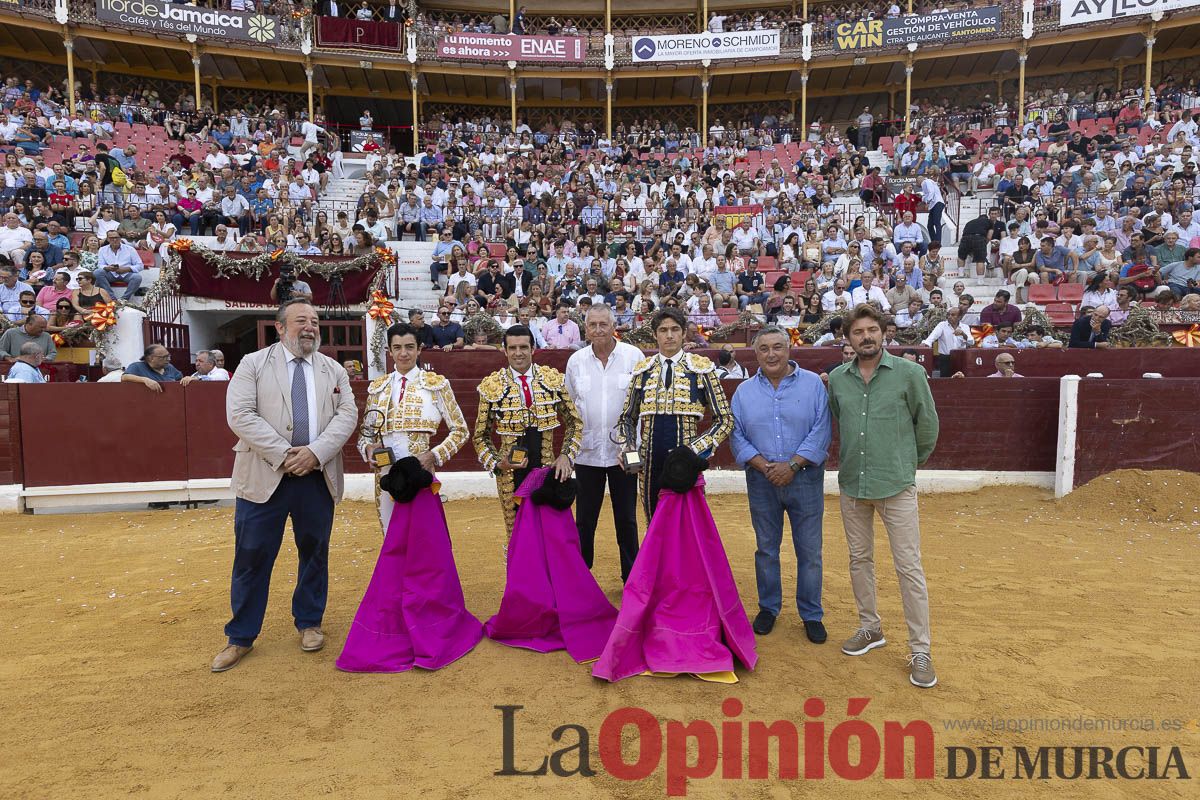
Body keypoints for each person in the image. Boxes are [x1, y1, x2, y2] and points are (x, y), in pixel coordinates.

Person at [212, 300, 358, 673]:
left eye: (314, 321)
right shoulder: (253, 364)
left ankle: (309, 622)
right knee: (251, 556)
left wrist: (314, 452)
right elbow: (240, 415)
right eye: (300, 321)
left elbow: (347, 415)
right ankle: (240, 636)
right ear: (280, 327)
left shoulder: (333, 369)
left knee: (315, 552)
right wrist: (285, 454)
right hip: (265, 475)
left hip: (316, 476)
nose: (309, 327)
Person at [338, 322, 481, 673]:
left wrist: (436, 456)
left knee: (424, 550)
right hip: (386, 479)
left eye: (409, 347)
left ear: (419, 350)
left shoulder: (437, 385)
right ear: (389, 350)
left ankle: (426, 614)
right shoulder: (379, 388)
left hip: (420, 478)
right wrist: (369, 449)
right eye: (397, 347)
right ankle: (401, 614)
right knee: (393, 545)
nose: (403, 353)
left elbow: (461, 429)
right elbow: (365, 436)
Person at [827, 304, 940, 689]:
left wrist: (904, 464)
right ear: (848, 339)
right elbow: (837, 422)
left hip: (895, 484)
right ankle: (870, 627)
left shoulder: (910, 373)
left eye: (872, 330)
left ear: (884, 333)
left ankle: (920, 649)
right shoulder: (839, 380)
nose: (866, 337)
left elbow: (928, 427)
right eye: (858, 332)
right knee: (860, 560)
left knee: (909, 567)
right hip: (853, 485)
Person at [731, 326, 832, 642]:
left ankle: (811, 613)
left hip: (804, 478)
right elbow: (736, 435)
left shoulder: (814, 385)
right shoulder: (744, 392)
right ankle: (769, 607)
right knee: (766, 549)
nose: (772, 354)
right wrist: (765, 466)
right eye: (764, 349)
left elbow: (822, 429)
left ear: (789, 349)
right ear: (755, 353)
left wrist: (791, 465)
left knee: (810, 551)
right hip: (762, 480)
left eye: (778, 347)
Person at [616, 308, 733, 520]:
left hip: (686, 464)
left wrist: (694, 451)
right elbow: (627, 417)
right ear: (655, 335)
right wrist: (628, 446)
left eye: (674, 329)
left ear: (683, 333)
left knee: (687, 525)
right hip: (649, 465)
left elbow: (725, 420)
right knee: (654, 524)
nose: (669, 335)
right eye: (663, 330)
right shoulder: (642, 371)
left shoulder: (702, 369)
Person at [472, 325, 582, 543]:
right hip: (510, 475)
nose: (518, 353)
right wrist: (497, 464)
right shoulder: (492, 386)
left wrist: (566, 456)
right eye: (512, 348)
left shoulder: (552, 380)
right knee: (517, 535)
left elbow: (575, 423)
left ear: (533, 349)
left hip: (548, 471)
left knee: (551, 535)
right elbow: (480, 436)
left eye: (523, 347)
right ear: (504, 350)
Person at [565, 305, 643, 583]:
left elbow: (641, 407)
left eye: (603, 324)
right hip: (587, 454)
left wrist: (634, 445)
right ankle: (580, 579)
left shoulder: (634, 356)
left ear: (614, 327)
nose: (598, 330)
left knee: (627, 520)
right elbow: (571, 406)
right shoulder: (576, 361)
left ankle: (632, 579)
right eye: (592, 325)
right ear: (585, 329)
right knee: (584, 521)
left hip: (624, 453)